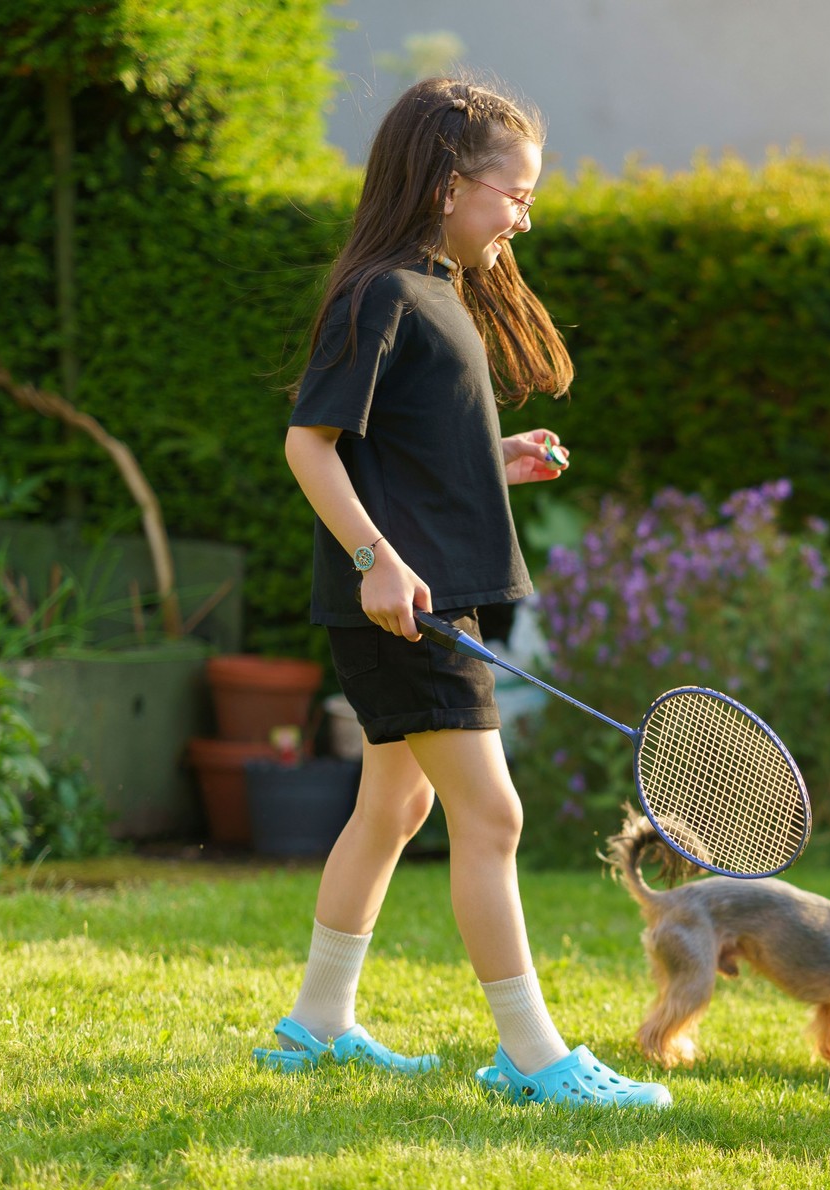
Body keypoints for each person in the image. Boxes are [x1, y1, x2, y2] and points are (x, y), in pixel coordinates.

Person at [256, 77, 669, 1108]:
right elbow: (311, 448)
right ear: (448, 183)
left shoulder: (436, 289)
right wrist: (374, 561)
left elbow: (401, 451)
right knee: (493, 817)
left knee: (393, 806)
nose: (523, 214)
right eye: (512, 192)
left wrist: (496, 456)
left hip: (424, 594)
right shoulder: (383, 292)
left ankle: (316, 1022)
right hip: (407, 603)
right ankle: (533, 1055)